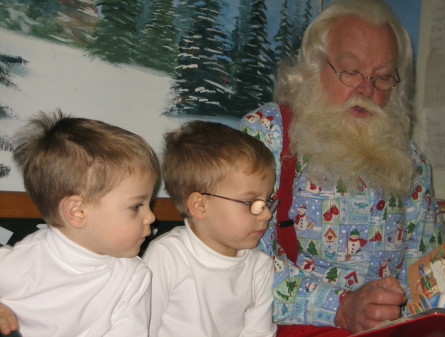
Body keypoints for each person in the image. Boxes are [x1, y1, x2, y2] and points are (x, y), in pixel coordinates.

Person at [240, 0, 445, 336]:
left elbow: (429, 271)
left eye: (383, 78)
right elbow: (237, 263)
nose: (366, 90)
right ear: (312, 65)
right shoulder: (268, 135)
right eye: (351, 72)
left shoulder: (410, 161)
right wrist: (340, 306)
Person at [0, 110, 159, 336]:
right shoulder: (20, 263)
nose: (151, 217)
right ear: (77, 212)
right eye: (136, 206)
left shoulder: (133, 277)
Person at [142, 120, 277, 337]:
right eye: (250, 202)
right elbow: (142, 327)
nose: (267, 213)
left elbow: (258, 332)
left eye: (267, 201)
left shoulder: (258, 266)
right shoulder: (168, 256)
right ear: (199, 206)